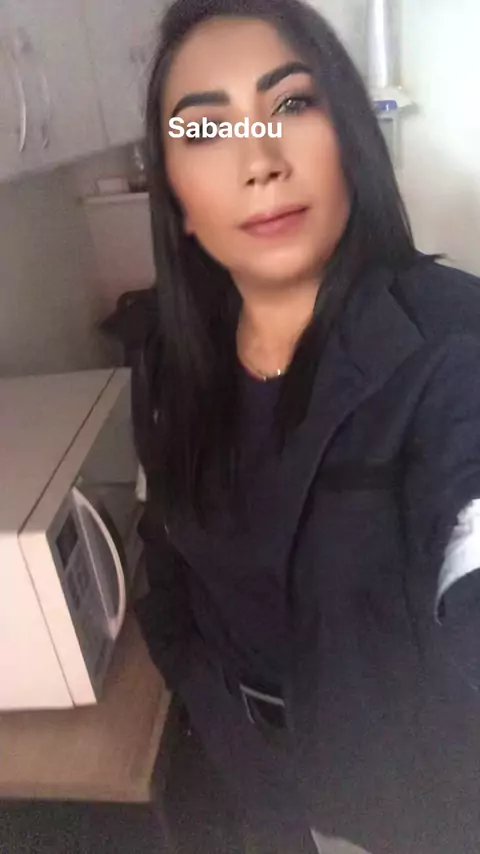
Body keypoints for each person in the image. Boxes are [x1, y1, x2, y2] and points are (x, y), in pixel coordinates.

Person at [131, 0, 480, 851]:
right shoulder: (170, 360)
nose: (259, 161)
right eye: (205, 130)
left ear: (349, 141)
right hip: (258, 787)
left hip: (409, 805)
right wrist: (218, 714)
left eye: (291, 103)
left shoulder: (455, 348)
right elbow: (167, 563)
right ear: (177, 198)